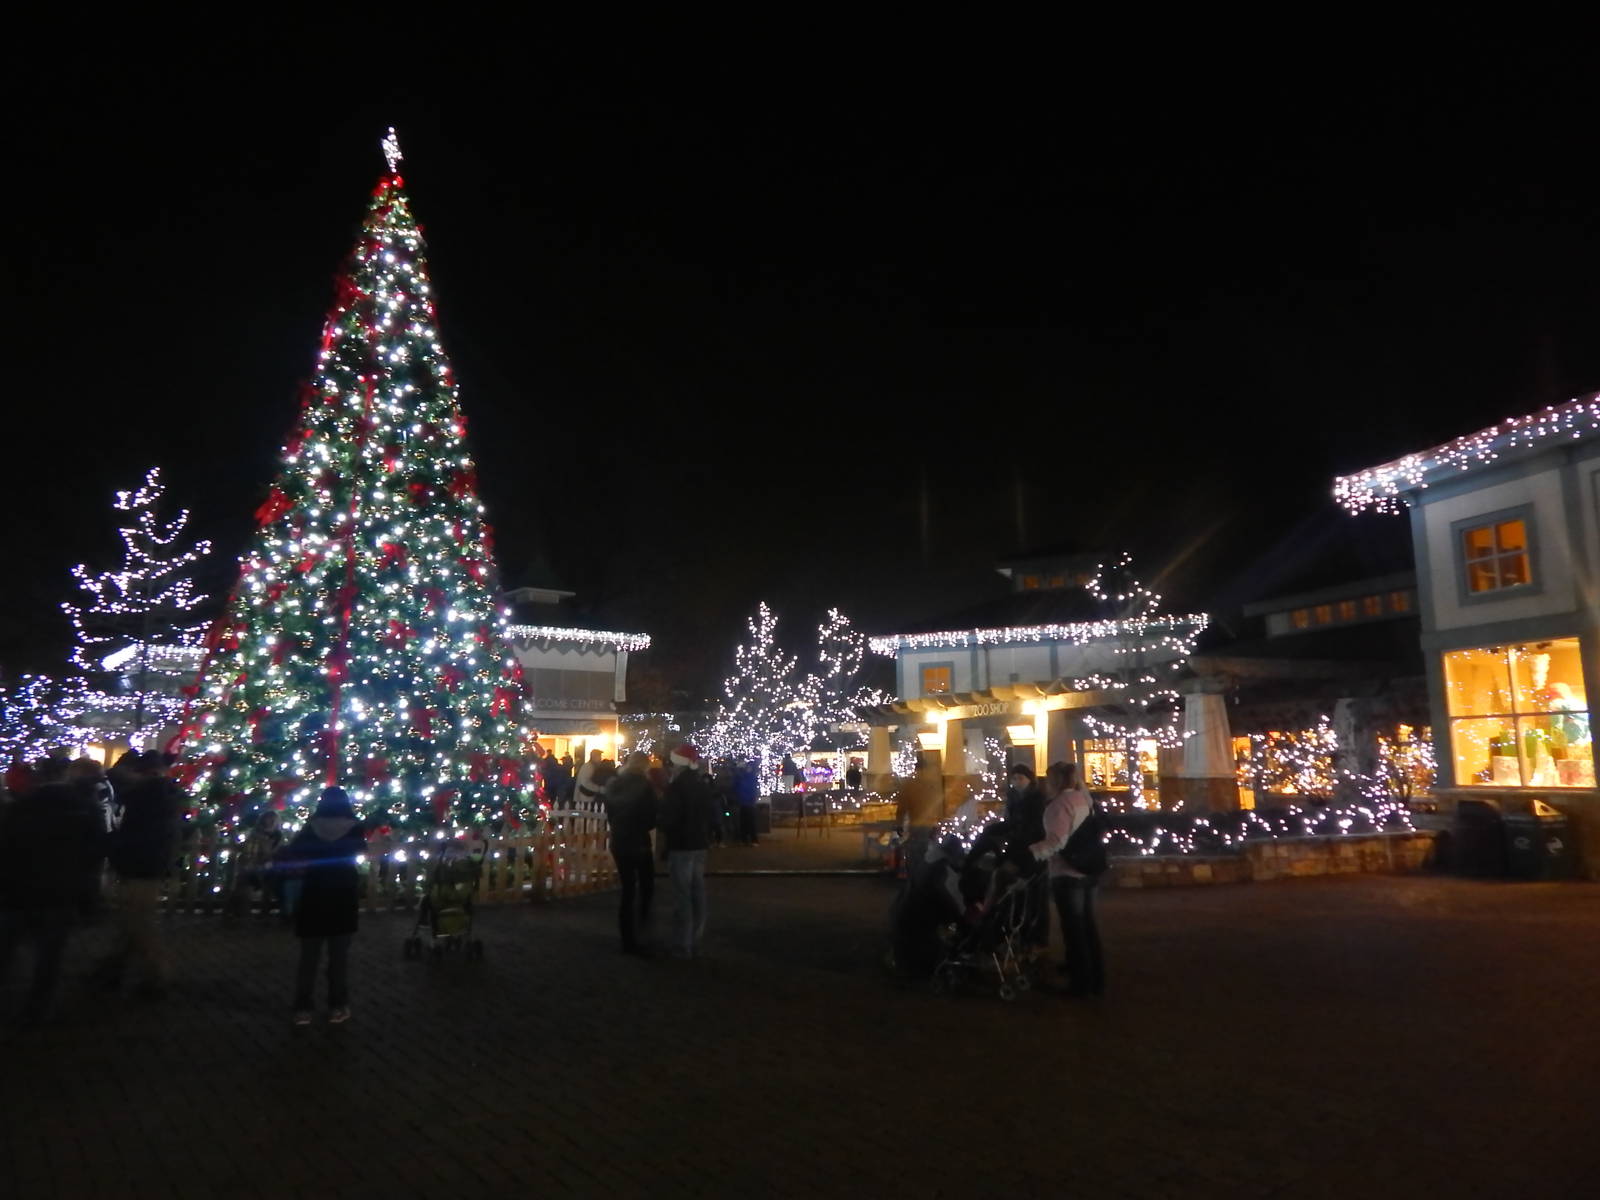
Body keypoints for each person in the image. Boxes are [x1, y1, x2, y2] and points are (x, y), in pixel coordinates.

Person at [0, 757, 107, 1025]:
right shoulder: (84, 810)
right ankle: (38, 1008)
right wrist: (87, 895)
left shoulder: (21, 807)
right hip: (60, 893)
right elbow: (93, 856)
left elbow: (7, 848)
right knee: (49, 957)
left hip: (19, 890)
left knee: (7, 949)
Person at [95, 750, 181, 999]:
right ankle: (112, 969)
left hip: (141, 867)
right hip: (146, 865)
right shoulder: (158, 797)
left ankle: (157, 978)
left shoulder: (146, 799)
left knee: (139, 924)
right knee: (129, 923)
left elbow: (136, 837)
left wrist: (113, 845)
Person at [283, 787, 367, 1025]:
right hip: (342, 894)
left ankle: (303, 1007)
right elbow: (360, 851)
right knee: (338, 957)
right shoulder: (354, 827)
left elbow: (295, 850)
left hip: (315, 893)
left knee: (309, 957)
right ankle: (337, 1005)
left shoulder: (312, 827)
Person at [1030, 761, 1105, 997]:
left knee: (1074, 930)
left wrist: (1031, 852)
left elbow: (1057, 841)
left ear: (1054, 781)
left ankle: (1081, 983)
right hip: (1089, 869)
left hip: (1067, 872)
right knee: (1088, 927)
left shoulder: (1058, 806)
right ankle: (1096, 977)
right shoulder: (1085, 799)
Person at [659, 744, 716, 957]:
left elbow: (670, 817)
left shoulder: (676, 788)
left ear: (679, 765)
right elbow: (711, 814)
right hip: (699, 844)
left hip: (681, 844)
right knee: (697, 891)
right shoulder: (702, 785)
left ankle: (682, 943)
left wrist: (664, 825)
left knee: (682, 894)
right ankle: (695, 937)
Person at [602, 752, 658, 955]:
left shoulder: (614, 784)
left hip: (619, 840)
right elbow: (653, 816)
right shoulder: (646, 786)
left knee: (627, 890)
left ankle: (627, 938)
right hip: (639, 841)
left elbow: (609, 813)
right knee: (646, 887)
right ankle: (643, 930)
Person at [892, 757, 945, 886]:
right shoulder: (933, 785)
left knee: (915, 855)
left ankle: (915, 882)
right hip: (931, 825)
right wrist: (939, 822)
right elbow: (939, 806)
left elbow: (902, 807)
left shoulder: (910, 785)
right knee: (929, 854)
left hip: (916, 825)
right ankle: (927, 882)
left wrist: (899, 824)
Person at [225, 809, 283, 919]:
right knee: (242, 886)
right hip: (250, 864)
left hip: (267, 865)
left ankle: (262, 912)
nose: (269, 821)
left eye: (272, 819)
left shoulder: (277, 835)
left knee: (265, 886)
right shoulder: (255, 833)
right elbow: (247, 848)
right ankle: (238, 912)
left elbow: (274, 852)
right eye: (267, 818)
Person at [733, 760, 760, 846]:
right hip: (744, 802)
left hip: (748, 802)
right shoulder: (743, 777)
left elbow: (753, 789)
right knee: (744, 822)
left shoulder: (749, 777)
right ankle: (746, 839)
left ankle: (752, 839)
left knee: (749, 821)